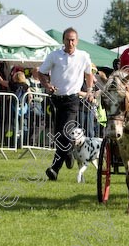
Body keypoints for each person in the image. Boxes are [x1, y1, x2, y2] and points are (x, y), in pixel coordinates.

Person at [38, 27, 94, 181]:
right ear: (63, 40)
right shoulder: (54, 55)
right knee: (60, 136)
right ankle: (68, 151)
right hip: (56, 99)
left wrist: (89, 90)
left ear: (77, 41)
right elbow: (41, 72)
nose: (70, 43)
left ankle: (55, 169)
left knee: (64, 133)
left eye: (73, 40)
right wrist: (47, 85)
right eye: (68, 39)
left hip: (73, 99)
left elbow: (89, 73)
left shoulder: (83, 56)